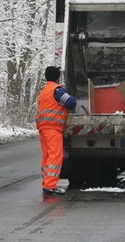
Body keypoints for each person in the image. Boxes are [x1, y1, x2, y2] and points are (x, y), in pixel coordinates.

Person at [35, 66, 77, 196]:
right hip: (53, 127)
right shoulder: (56, 90)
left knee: (47, 156)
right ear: (58, 77)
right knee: (55, 155)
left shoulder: (44, 91)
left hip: (43, 127)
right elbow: (71, 102)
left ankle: (47, 183)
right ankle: (50, 185)